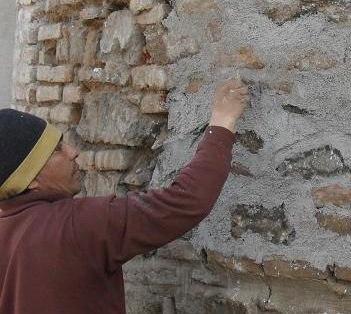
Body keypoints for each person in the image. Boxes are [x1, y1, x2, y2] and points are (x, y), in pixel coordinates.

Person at [0, 78, 250, 314]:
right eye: (56, 150)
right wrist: (222, 121)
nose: (72, 151)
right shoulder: (77, 226)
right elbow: (186, 201)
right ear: (29, 178)